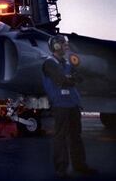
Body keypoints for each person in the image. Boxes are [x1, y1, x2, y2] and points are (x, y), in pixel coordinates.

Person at [42, 35, 97, 178]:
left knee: (76, 136)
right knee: (61, 137)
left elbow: (79, 78)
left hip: (72, 104)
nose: (66, 46)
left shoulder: (66, 63)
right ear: (56, 46)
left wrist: (69, 79)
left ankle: (80, 165)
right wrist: (69, 79)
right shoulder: (49, 63)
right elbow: (61, 81)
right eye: (63, 44)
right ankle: (61, 169)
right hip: (60, 104)